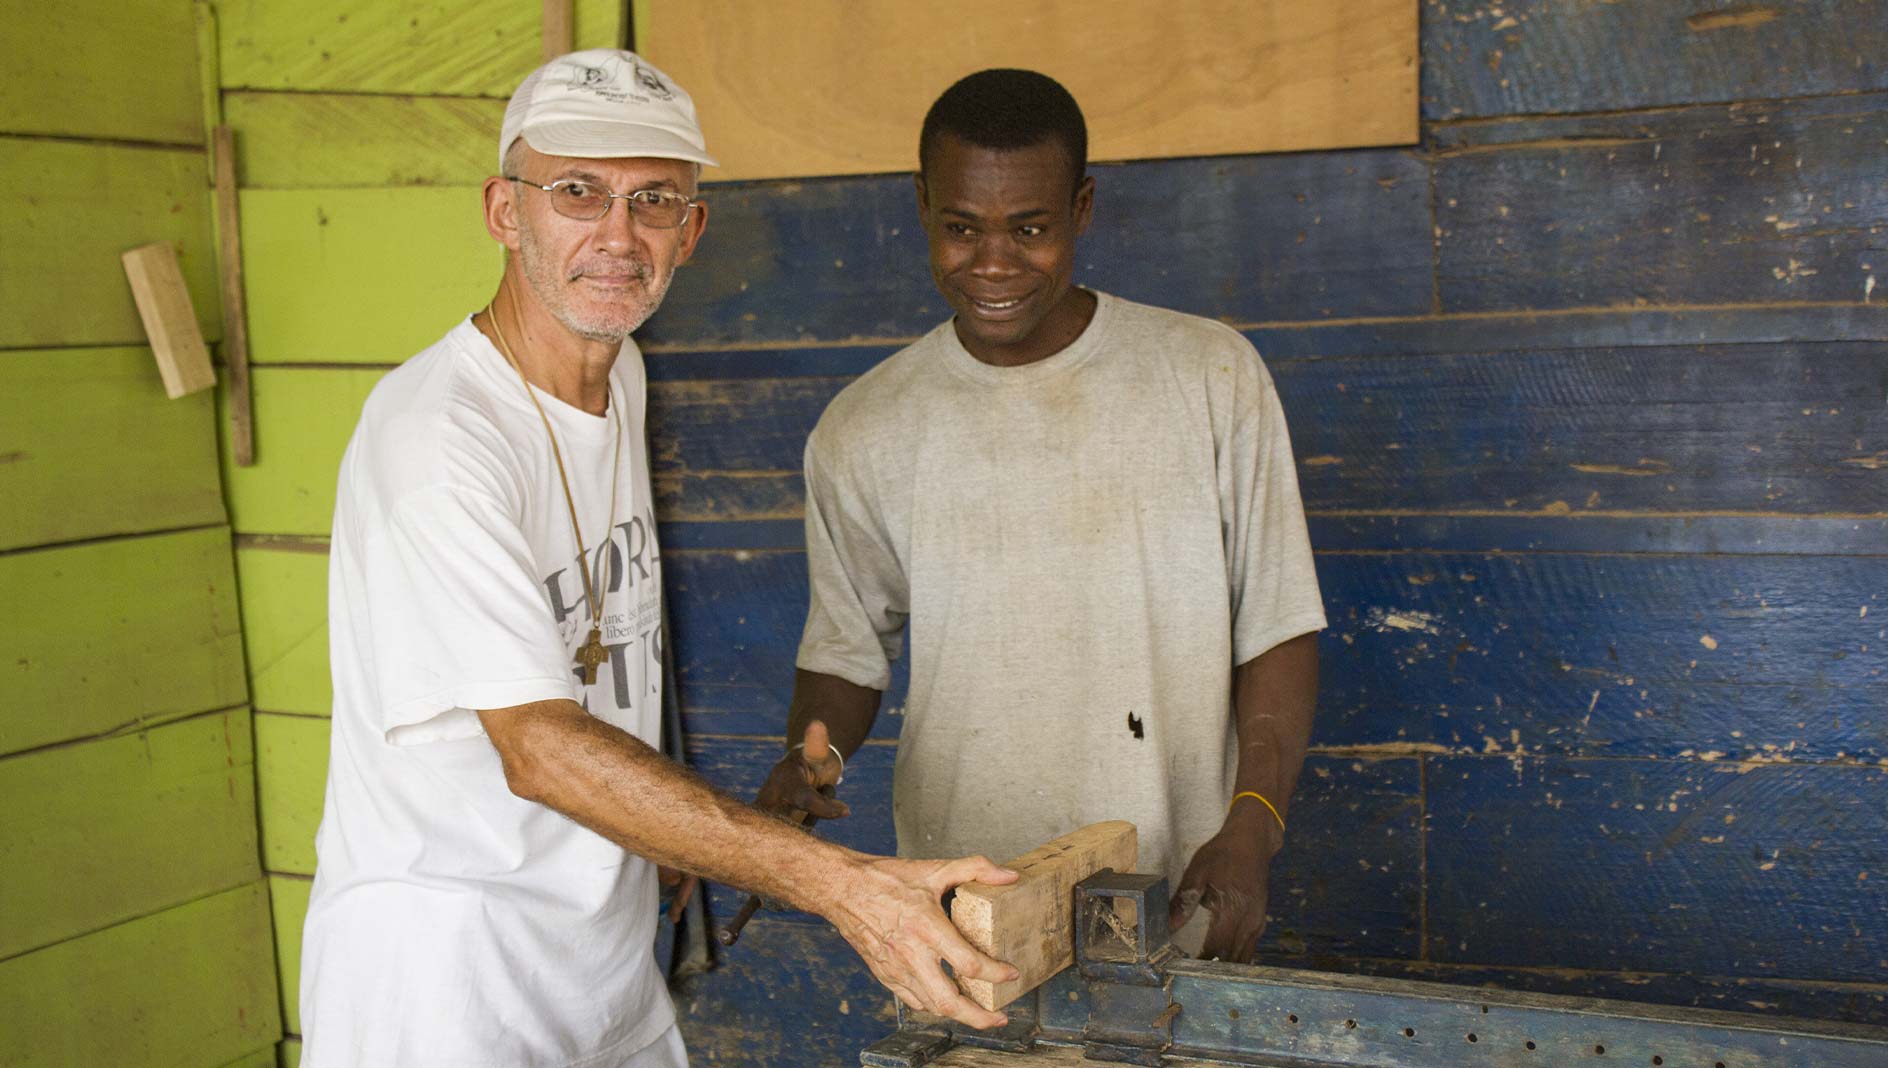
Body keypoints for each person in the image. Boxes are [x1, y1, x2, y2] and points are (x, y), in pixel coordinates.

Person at [300, 50, 1018, 1068]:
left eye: (653, 201)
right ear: (505, 212)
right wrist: (844, 887)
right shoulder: (438, 439)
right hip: (449, 978)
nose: (617, 236)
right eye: (576, 193)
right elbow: (538, 748)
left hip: (601, 955)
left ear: (692, 229)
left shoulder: (618, 371)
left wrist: (669, 833)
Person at [759, 69, 1327, 965]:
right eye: (961, 228)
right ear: (922, 207)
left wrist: (1253, 825)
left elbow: (1277, 628)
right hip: (962, 909)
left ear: (1082, 209)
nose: (993, 264)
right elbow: (845, 652)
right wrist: (807, 756)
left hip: (1181, 891)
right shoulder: (863, 426)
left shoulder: (1209, 375)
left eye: (1029, 229)